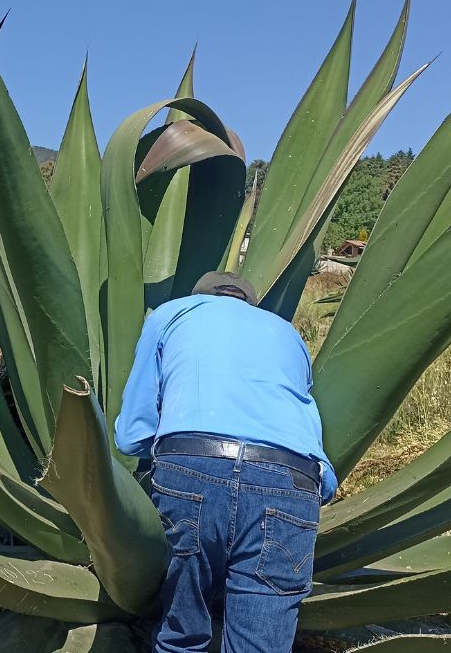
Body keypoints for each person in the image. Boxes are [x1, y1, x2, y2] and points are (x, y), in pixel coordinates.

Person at [114, 271, 338, 653]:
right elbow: (304, 423)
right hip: (290, 481)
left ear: (201, 295)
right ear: (249, 304)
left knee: (181, 634)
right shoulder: (287, 334)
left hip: (194, 467)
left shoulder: (172, 314)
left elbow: (132, 433)